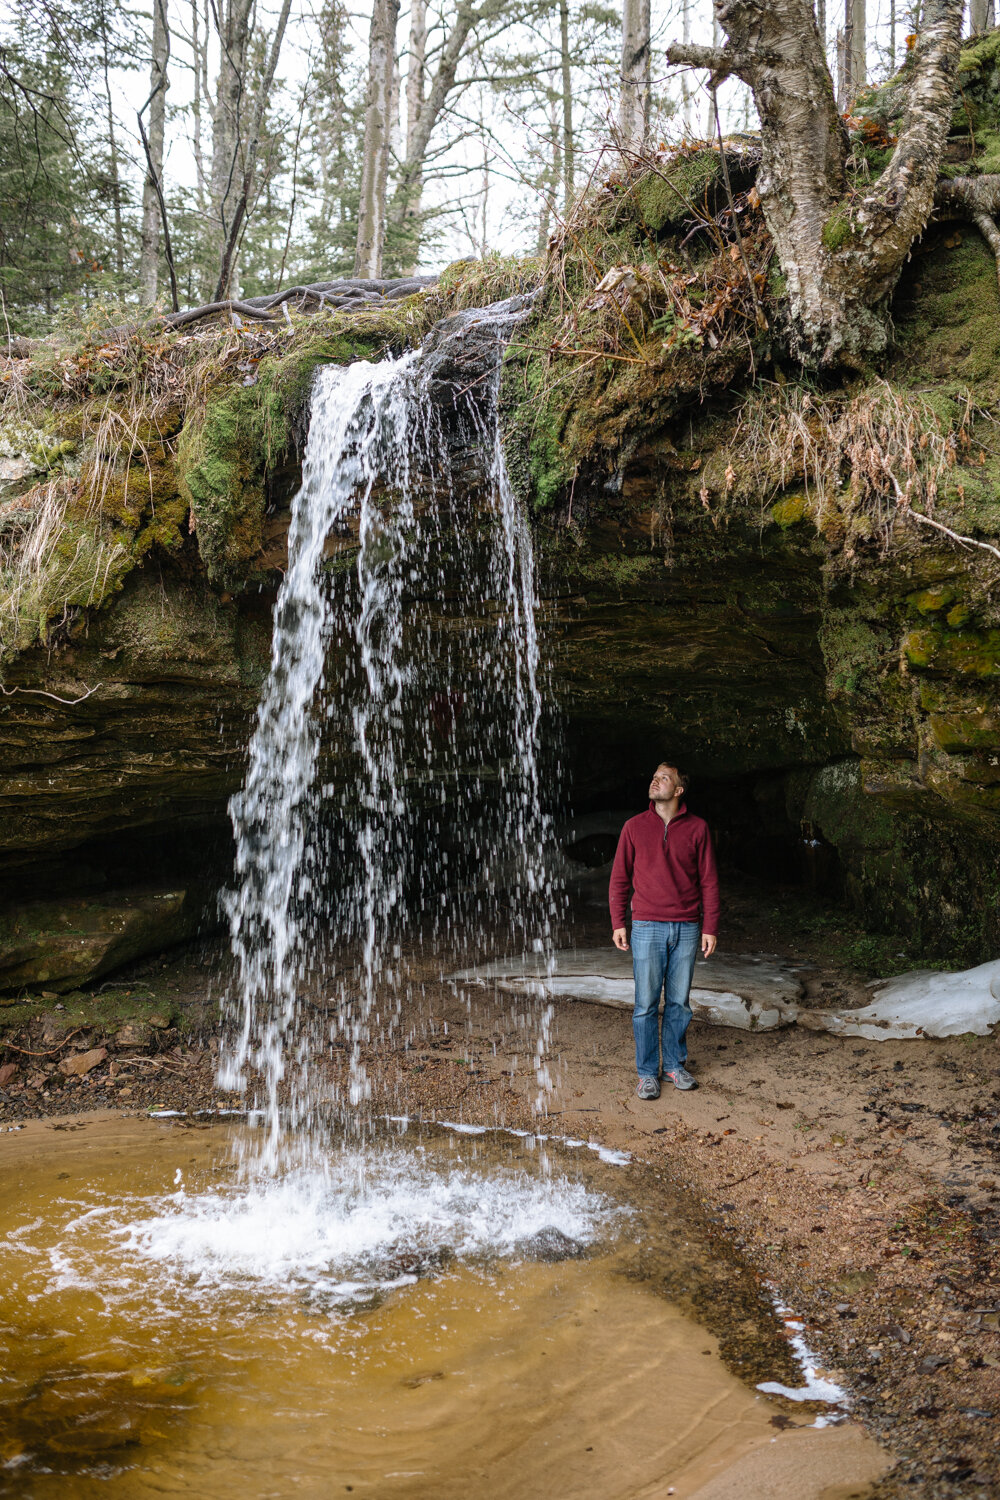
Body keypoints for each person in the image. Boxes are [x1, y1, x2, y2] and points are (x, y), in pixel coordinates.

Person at [609, 763, 719, 1099]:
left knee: (679, 1002)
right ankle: (646, 1074)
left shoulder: (698, 828)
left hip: (687, 926)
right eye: (655, 776)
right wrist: (618, 921)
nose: (656, 781)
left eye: (664, 778)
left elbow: (709, 881)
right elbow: (619, 878)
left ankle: (673, 1065)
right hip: (645, 926)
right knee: (644, 1003)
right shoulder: (634, 827)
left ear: (679, 789)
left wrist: (710, 926)